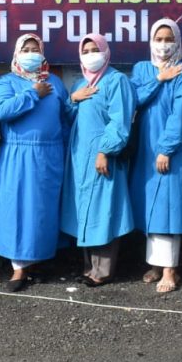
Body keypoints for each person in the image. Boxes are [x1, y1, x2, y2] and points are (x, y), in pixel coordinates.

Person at [0, 34, 70, 292]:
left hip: (50, 154)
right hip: (18, 154)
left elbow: (65, 117)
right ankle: (18, 268)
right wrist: (33, 93)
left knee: (43, 209)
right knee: (18, 208)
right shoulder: (8, 81)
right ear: (16, 53)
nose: (30, 53)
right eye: (25, 49)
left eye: (35, 49)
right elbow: (1, 111)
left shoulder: (55, 82)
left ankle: (39, 260)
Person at [61, 33, 136, 287]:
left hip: (103, 158)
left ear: (106, 52)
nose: (91, 55)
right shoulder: (79, 84)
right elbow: (68, 117)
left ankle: (102, 271)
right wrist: (73, 99)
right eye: (86, 51)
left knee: (104, 210)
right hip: (79, 158)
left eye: (95, 49)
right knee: (84, 210)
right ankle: (88, 267)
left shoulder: (116, 81)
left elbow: (120, 121)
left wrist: (105, 151)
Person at [128, 19, 182, 294]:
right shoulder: (142, 69)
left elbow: (180, 114)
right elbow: (133, 100)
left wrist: (166, 148)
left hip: (170, 149)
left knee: (168, 207)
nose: (164, 44)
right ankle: (156, 264)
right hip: (145, 148)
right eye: (159, 38)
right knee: (151, 207)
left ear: (177, 41)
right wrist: (158, 79)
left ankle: (170, 269)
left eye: (169, 39)